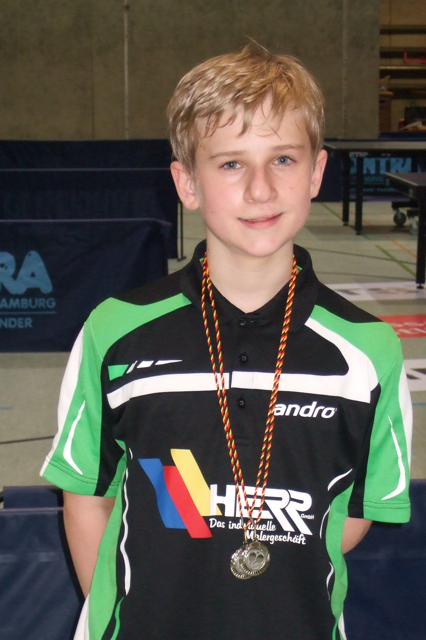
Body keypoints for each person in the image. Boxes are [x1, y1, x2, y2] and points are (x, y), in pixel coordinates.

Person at [41, 43, 412, 640]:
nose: (261, 189)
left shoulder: (369, 350)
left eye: (283, 159)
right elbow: (87, 495)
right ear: (187, 183)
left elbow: (353, 514)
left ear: (317, 173)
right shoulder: (116, 329)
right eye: (232, 164)